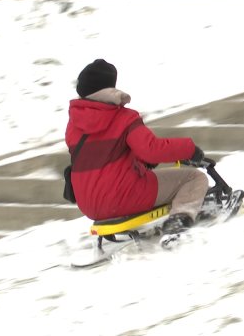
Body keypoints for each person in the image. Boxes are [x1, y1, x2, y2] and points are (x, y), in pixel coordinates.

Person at [65, 58, 208, 226]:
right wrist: (190, 149)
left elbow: (103, 156)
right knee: (194, 177)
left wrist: (141, 162)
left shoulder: (73, 126)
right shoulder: (124, 117)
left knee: (147, 178)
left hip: (88, 205)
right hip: (123, 197)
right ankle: (180, 219)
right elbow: (152, 150)